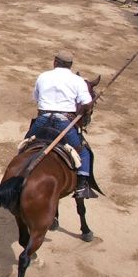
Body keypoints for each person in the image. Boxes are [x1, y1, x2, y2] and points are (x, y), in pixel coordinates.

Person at [24, 51, 97, 199]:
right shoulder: (77, 81)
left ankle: (19, 175)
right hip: (64, 123)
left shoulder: (43, 76)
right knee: (84, 152)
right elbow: (86, 103)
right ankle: (81, 187)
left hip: (42, 120)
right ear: (70, 65)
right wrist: (89, 106)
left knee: (24, 146)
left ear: (55, 62)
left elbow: (36, 98)